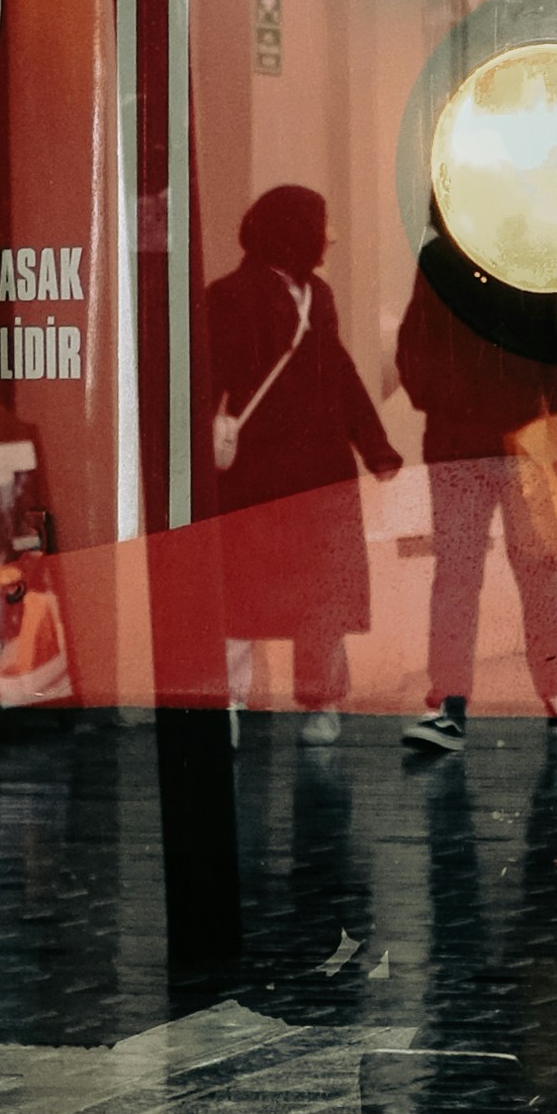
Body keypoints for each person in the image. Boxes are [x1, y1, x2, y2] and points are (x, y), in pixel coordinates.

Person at [197, 184, 399, 730]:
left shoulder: (311, 295)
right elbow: (208, 383)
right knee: (265, 592)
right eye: (322, 223)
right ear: (295, 231)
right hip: (279, 472)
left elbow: (338, 371)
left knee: (283, 592)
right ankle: (287, 705)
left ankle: (278, 703)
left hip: (291, 472)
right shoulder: (229, 298)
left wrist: (376, 446)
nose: (330, 234)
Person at [392, 263, 557, 752]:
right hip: (513, 438)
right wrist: (546, 395)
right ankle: (555, 693)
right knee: (536, 568)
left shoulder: (441, 268)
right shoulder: (530, 266)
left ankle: (450, 702)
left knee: (462, 574)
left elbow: (412, 351)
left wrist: (445, 399)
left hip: (463, 440)